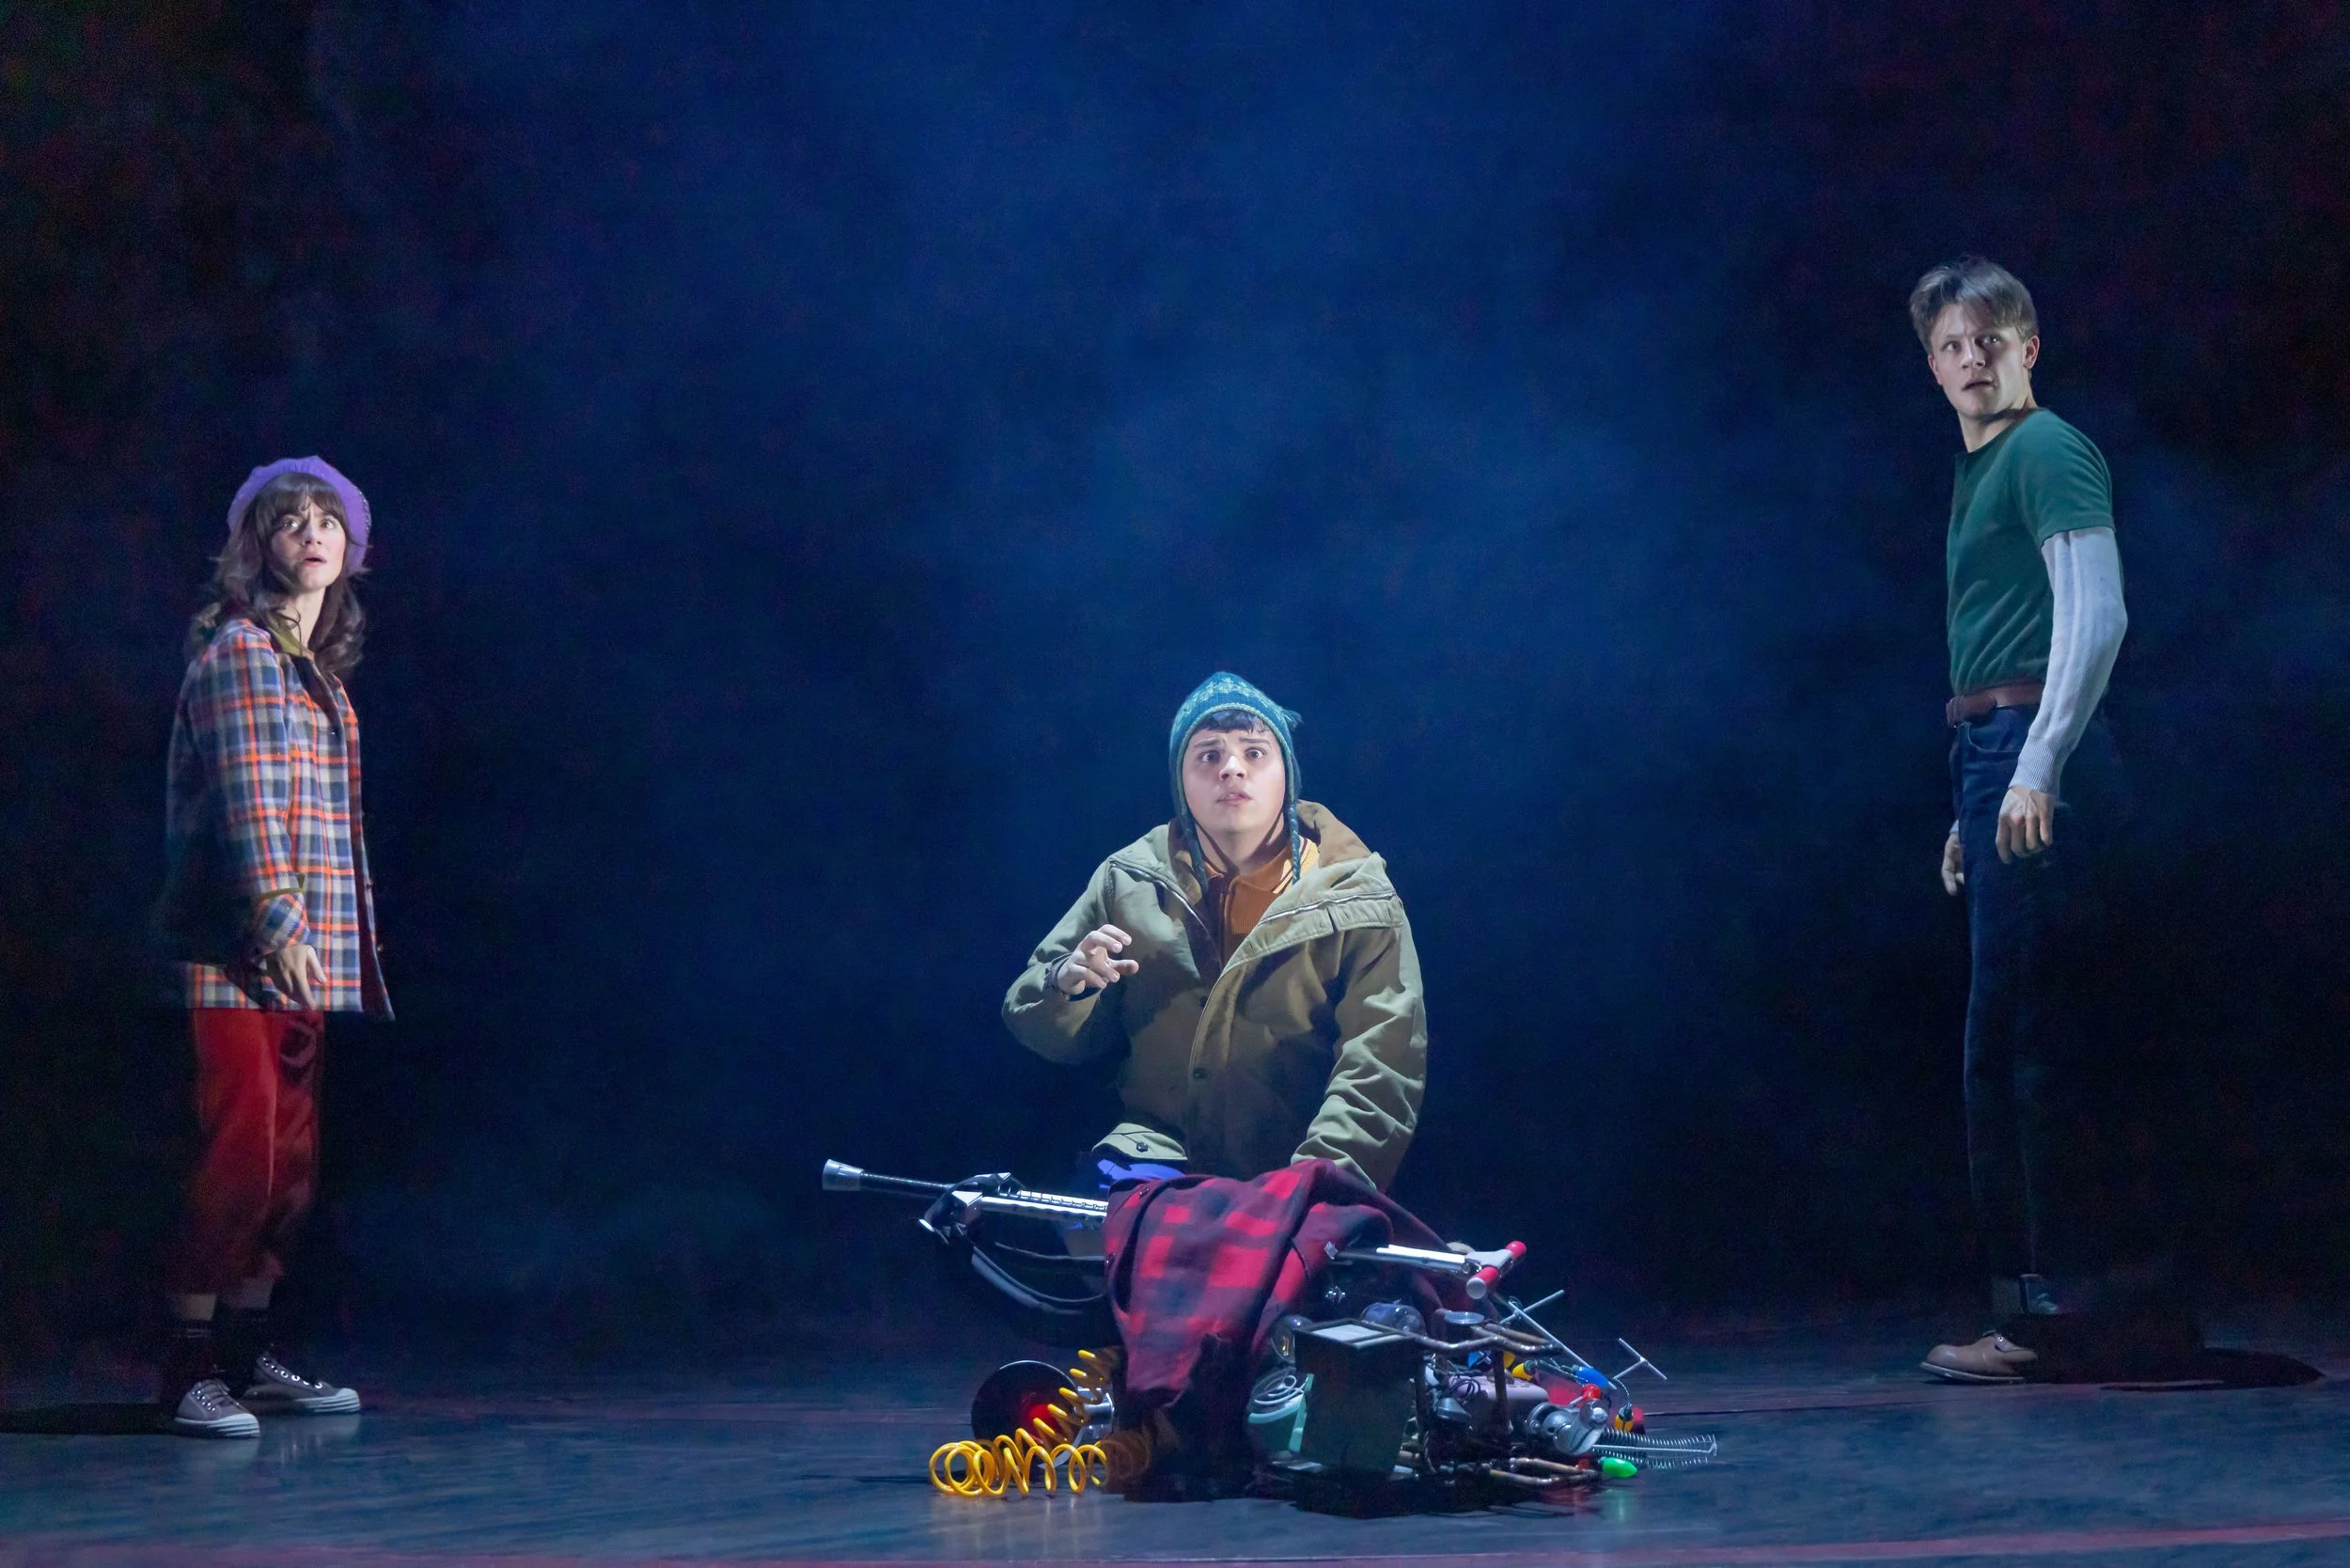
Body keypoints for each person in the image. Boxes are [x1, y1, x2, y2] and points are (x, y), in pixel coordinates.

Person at [1904, 260, 2142, 1384]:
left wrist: (2035, 762)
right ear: (1932, 363)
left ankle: (2050, 1319)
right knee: (2006, 1034)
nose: (1971, 361)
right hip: (1992, 748)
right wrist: (1977, 797)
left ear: (2027, 347)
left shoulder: (2045, 448)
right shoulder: (1979, 468)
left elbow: (2096, 613)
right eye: (1951, 346)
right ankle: (2055, 1303)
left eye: (1989, 340)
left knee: (2021, 1040)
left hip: (2028, 741)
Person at [149, 458, 390, 1435]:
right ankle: (187, 1370)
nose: (312, 532)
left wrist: (322, 938)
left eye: (328, 518)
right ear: (258, 546)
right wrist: (282, 922)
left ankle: (245, 1359)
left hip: (303, 954)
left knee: (289, 1167)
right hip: (238, 953)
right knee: (240, 1157)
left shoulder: (316, 674)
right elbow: (248, 807)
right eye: (290, 519)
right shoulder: (243, 654)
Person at [1002, 672, 1426, 1199]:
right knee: (1093, 1232)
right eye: (1208, 755)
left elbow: (1381, 1066)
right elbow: (1040, 1026)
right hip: (1154, 1156)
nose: (1231, 768)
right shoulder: (1130, 881)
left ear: (1288, 775)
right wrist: (1067, 984)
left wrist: (1314, 1188)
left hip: (1295, 1168)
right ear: (1181, 781)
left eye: (1254, 752)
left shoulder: (1358, 898)